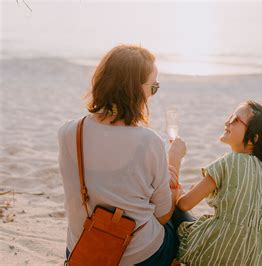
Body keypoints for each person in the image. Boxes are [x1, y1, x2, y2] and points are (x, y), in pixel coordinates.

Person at [58, 44, 187, 265]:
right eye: (153, 87)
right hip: (137, 256)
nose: (152, 95)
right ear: (135, 90)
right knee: (181, 219)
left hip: (83, 252)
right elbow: (163, 215)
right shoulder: (149, 142)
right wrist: (174, 161)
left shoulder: (70, 132)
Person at [175, 100, 262, 265]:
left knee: (175, 215)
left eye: (235, 120)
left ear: (253, 138)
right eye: (230, 116)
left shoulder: (229, 162)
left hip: (217, 250)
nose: (227, 122)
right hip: (251, 256)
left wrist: (178, 194)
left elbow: (184, 204)